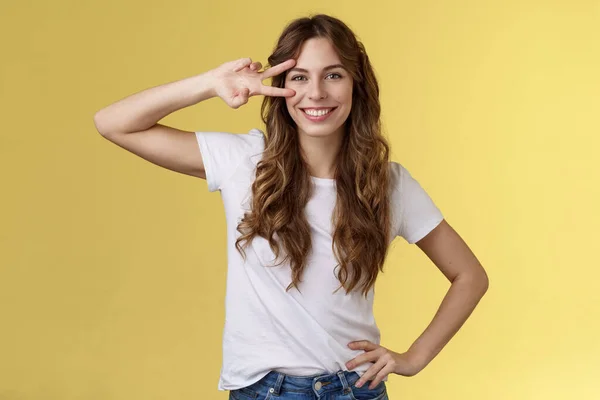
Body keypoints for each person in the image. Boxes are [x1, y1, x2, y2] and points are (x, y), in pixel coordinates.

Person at [94, 13, 489, 400]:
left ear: (357, 85)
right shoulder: (246, 162)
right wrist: (211, 83)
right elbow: (114, 123)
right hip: (266, 392)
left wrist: (413, 359)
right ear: (280, 88)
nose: (316, 93)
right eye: (299, 77)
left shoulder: (388, 184)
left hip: (356, 390)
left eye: (333, 75)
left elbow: (470, 276)